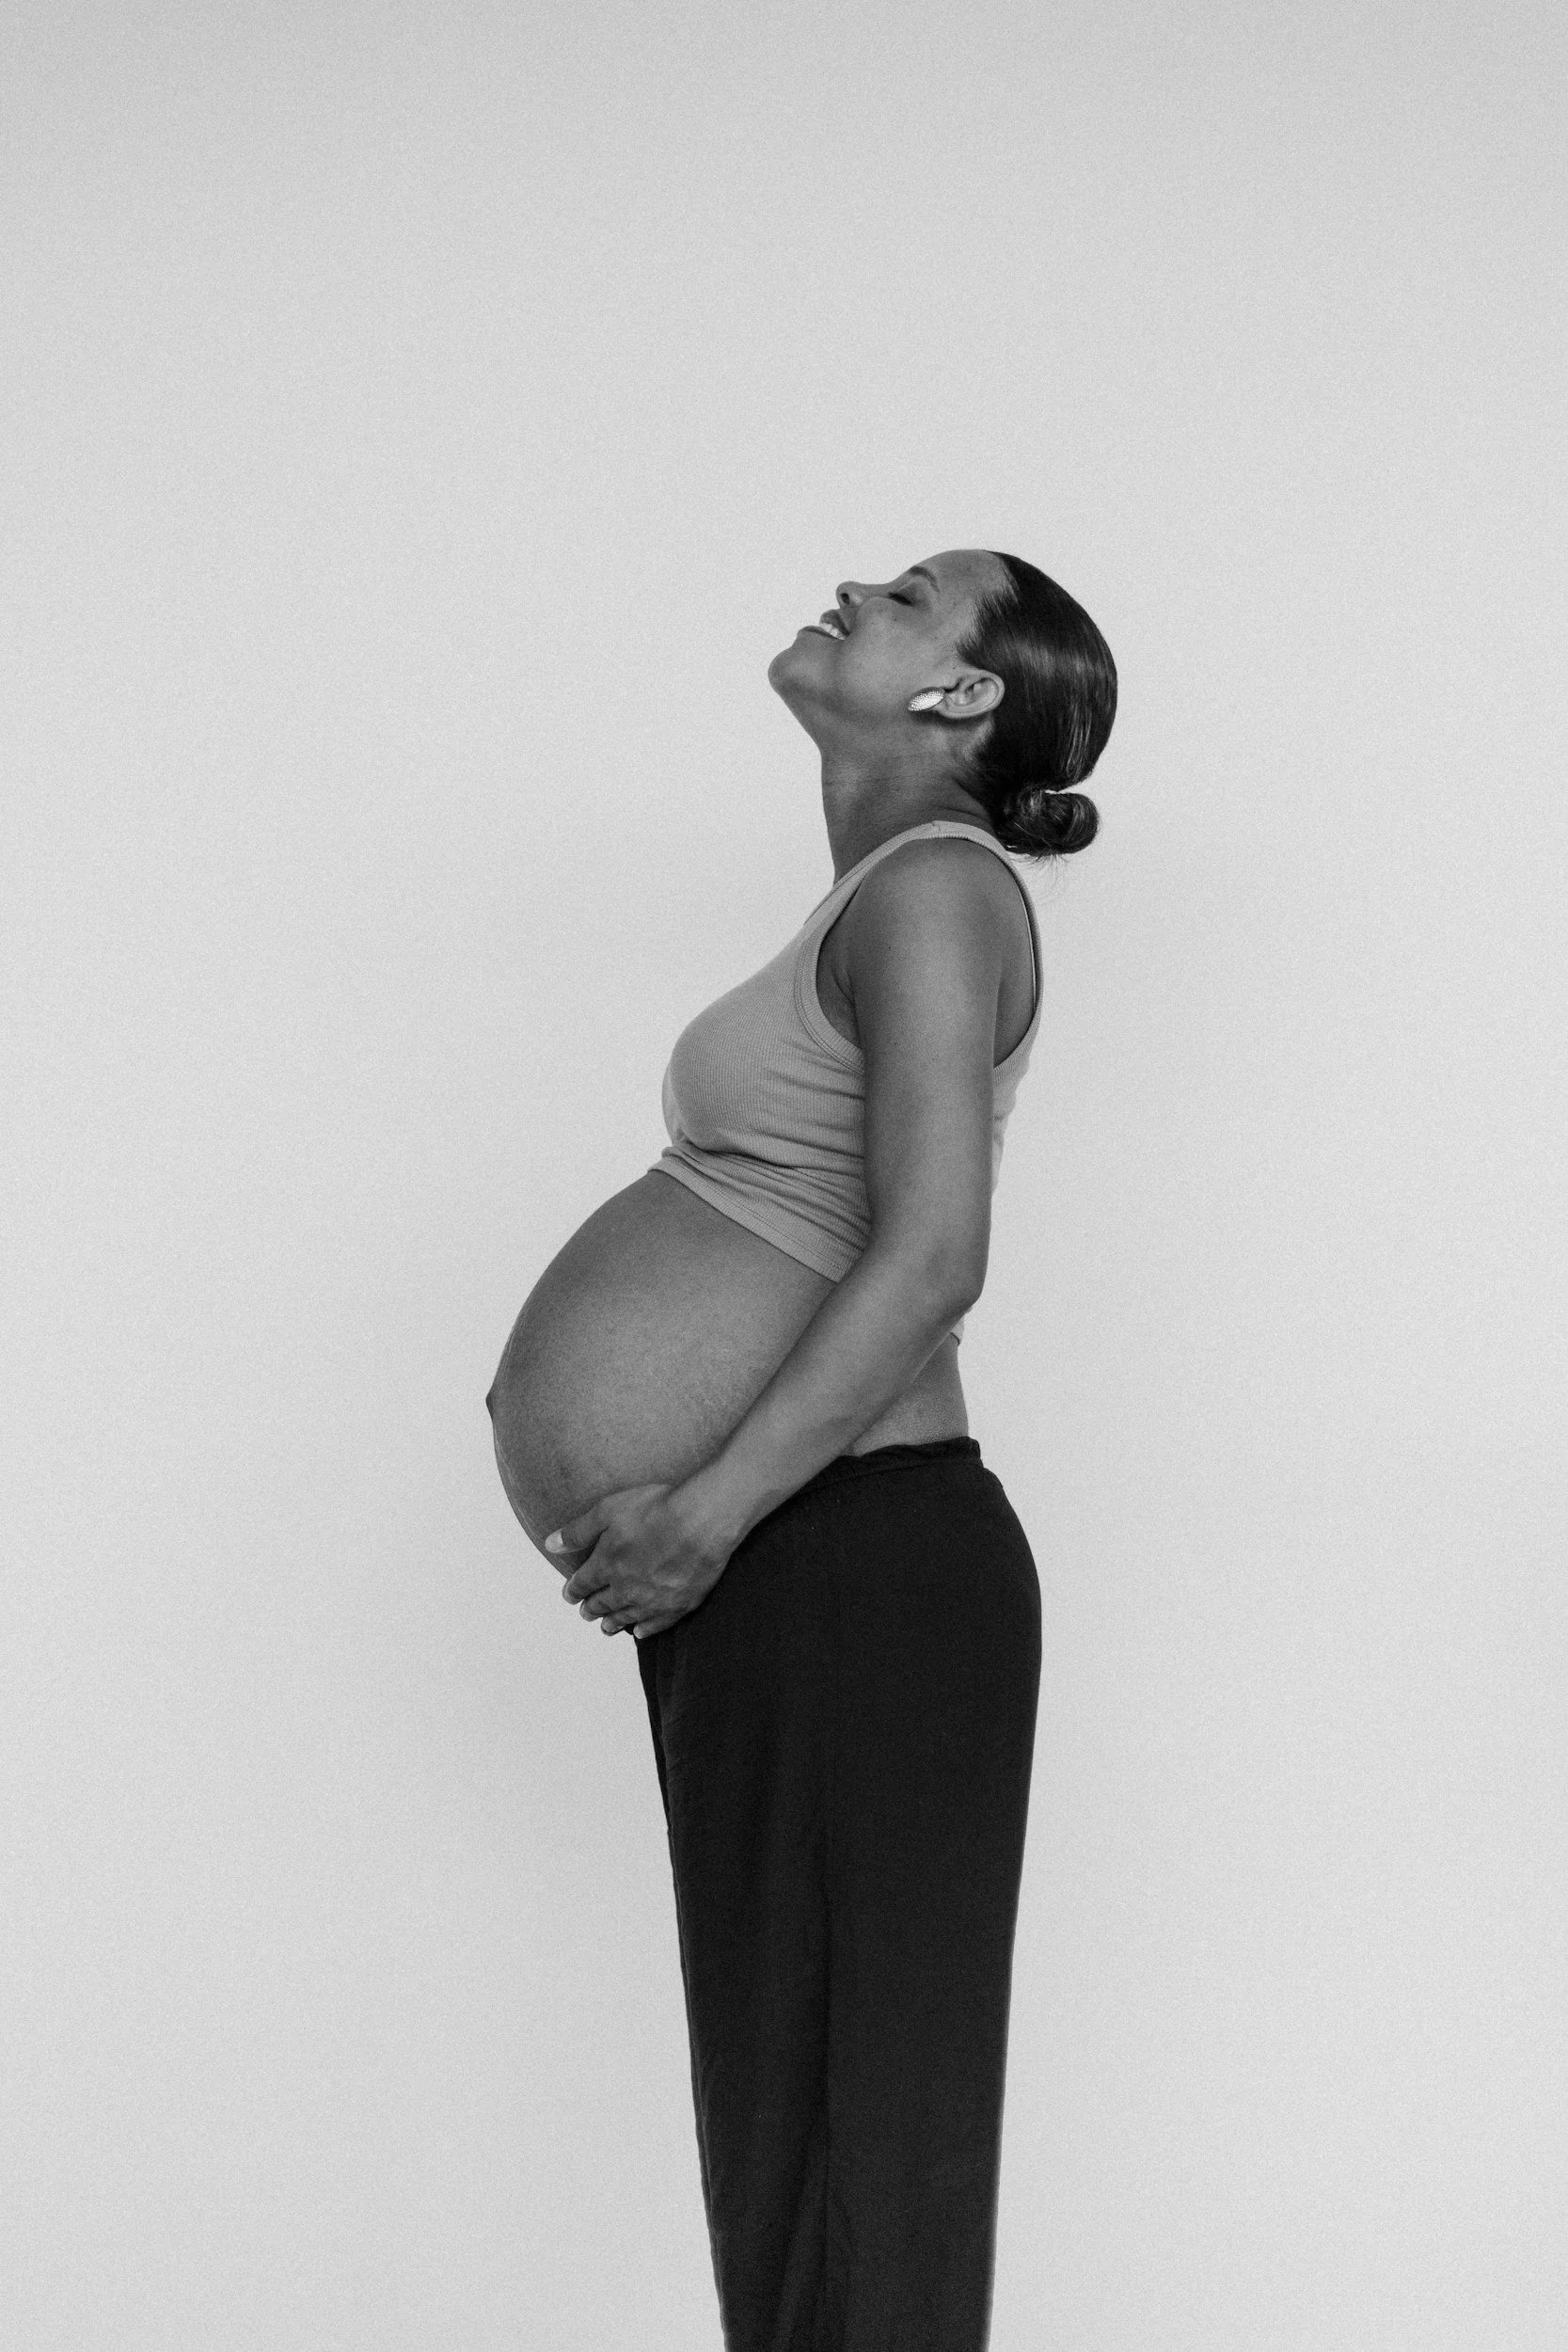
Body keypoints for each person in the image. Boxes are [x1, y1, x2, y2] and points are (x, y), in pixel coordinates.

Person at [546, 548, 1117, 2350]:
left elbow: (934, 1255)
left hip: (841, 1551)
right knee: (793, 2143)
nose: (855, 587)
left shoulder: (934, 887)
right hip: (792, 1561)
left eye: (910, 595)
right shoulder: (883, 893)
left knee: (861, 2149)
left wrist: (708, 1509)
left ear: (962, 694)